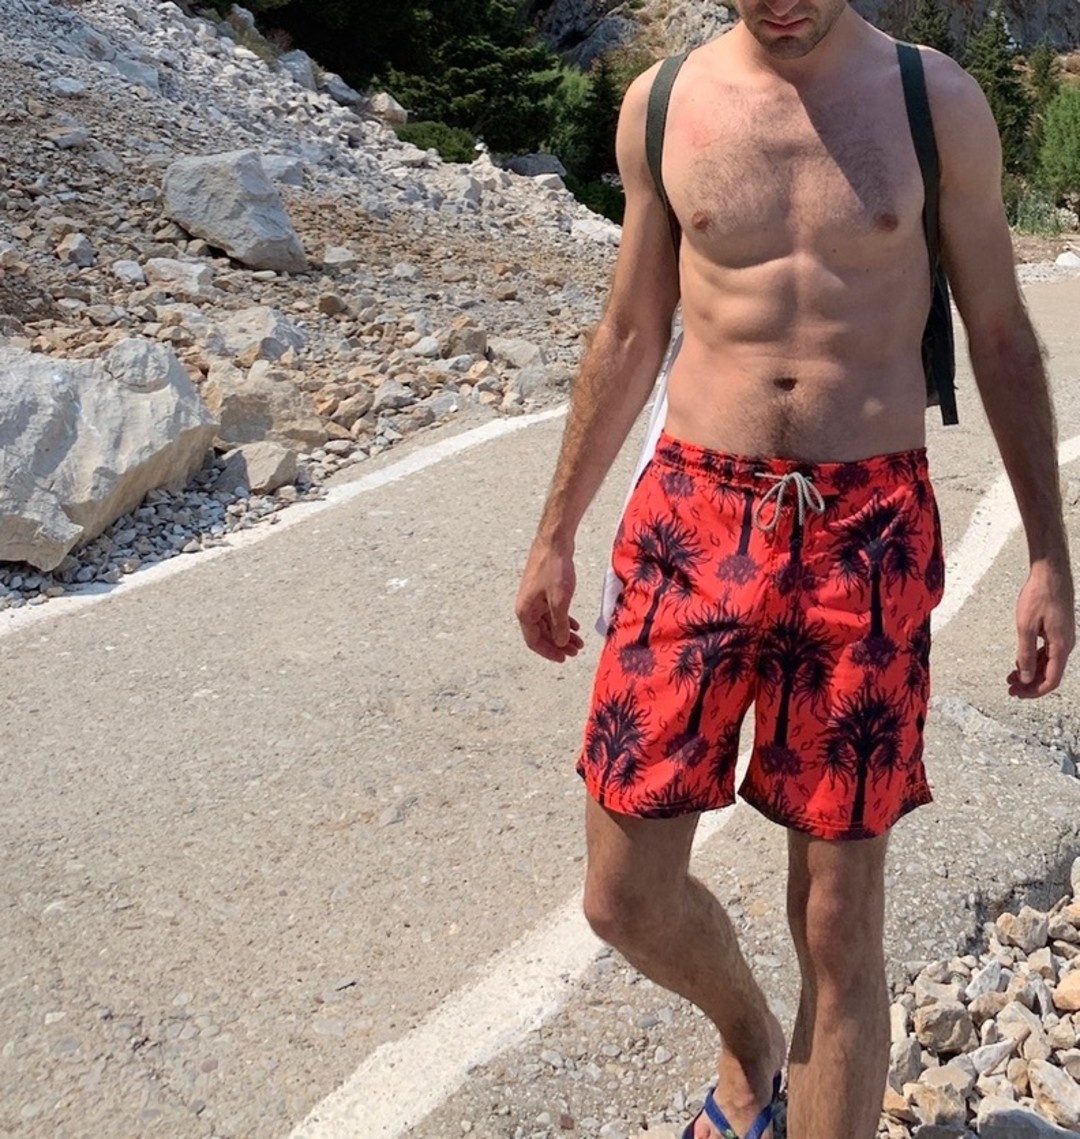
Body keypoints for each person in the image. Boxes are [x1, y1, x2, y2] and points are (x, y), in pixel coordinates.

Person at [515, 2, 1075, 1137]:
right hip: (692, 516)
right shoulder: (664, 105)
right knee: (623, 894)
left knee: (836, 923)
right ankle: (751, 1037)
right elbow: (631, 329)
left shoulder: (935, 104)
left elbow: (1001, 335)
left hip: (867, 531)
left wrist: (1048, 554)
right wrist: (555, 527)